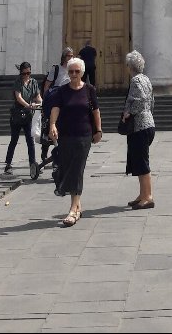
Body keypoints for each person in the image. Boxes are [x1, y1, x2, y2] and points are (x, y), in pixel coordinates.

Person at [48, 56, 101, 224]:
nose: (73, 74)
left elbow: (95, 111)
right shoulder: (62, 91)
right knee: (70, 168)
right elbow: (56, 108)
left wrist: (98, 129)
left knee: (77, 169)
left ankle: (72, 211)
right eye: (71, 71)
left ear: (82, 72)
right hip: (66, 135)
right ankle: (78, 206)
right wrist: (52, 125)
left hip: (84, 135)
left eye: (77, 71)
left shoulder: (89, 89)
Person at [121, 50, 155, 209]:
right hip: (148, 123)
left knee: (142, 161)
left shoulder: (135, 80)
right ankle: (142, 194)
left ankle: (148, 196)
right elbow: (151, 101)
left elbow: (140, 99)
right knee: (139, 160)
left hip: (139, 126)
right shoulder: (146, 79)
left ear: (130, 66)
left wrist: (129, 113)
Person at [4, 62, 41, 178]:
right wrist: (28, 105)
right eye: (24, 73)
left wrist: (40, 103)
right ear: (21, 72)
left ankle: (32, 165)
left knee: (30, 140)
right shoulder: (18, 82)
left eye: (28, 73)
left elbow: (37, 96)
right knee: (14, 140)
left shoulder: (33, 82)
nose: (26, 75)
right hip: (17, 114)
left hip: (28, 115)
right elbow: (18, 97)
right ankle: (8, 165)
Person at [40, 48, 73, 163]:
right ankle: (44, 153)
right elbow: (47, 85)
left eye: (72, 56)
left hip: (67, 101)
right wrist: (45, 102)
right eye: (68, 56)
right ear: (64, 56)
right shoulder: (56, 69)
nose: (70, 58)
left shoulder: (72, 70)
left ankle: (59, 154)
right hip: (56, 99)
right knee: (50, 127)